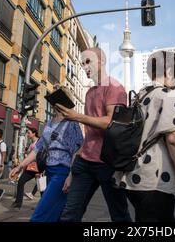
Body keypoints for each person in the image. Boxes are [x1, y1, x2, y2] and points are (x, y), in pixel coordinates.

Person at [113, 50, 175, 221]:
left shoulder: (140, 96)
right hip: (155, 181)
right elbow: (174, 139)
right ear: (168, 71)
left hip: (133, 177)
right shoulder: (168, 95)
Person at [55, 47, 132, 222]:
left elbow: (112, 123)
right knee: (69, 214)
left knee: (119, 215)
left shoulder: (115, 87)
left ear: (102, 61)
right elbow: (89, 133)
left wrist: (76, 116)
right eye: (82, 63)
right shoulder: (89, 93)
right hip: (84, 162)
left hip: (108, 162)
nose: (84, 66)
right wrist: (75, 163)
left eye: (88, 61)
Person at [10, 86, 84, 222]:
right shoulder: (50, 123)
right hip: (49, 171)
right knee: (55, 215)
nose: (53, 103)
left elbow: (77, 151)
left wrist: (71, 175)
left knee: (39, 215)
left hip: (62, 174)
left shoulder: (72, 123)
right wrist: (20, 166)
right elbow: (38, 148)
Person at [10, 127, 40, 210]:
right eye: (27, 133)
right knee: (21, 181)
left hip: (39, 167)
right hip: (31, 167)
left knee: (41, 187)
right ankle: (18, 203)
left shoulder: (39, 142)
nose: (28, 134)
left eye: (29, 132)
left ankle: (42, 206)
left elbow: (38, 155)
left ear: (34, 133)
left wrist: (40, 170)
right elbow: (29, 154)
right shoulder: (31, 143)